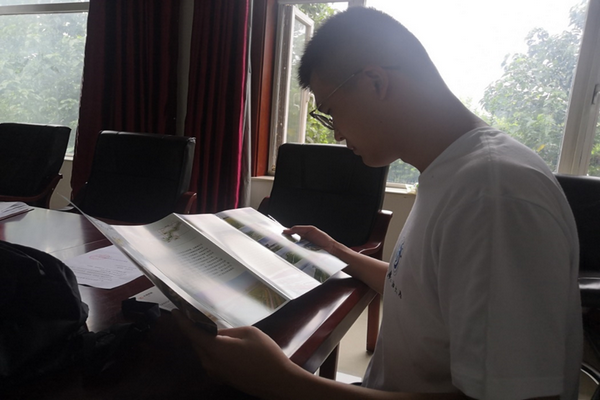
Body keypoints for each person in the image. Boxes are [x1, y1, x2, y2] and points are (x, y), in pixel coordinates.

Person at [174, 7, 582, 399]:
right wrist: (337, 251)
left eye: (330, 112)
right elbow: (420, 289)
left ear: (375, 82)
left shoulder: (493, 195)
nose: (335, 134)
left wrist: (287, 384)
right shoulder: (452, 172)